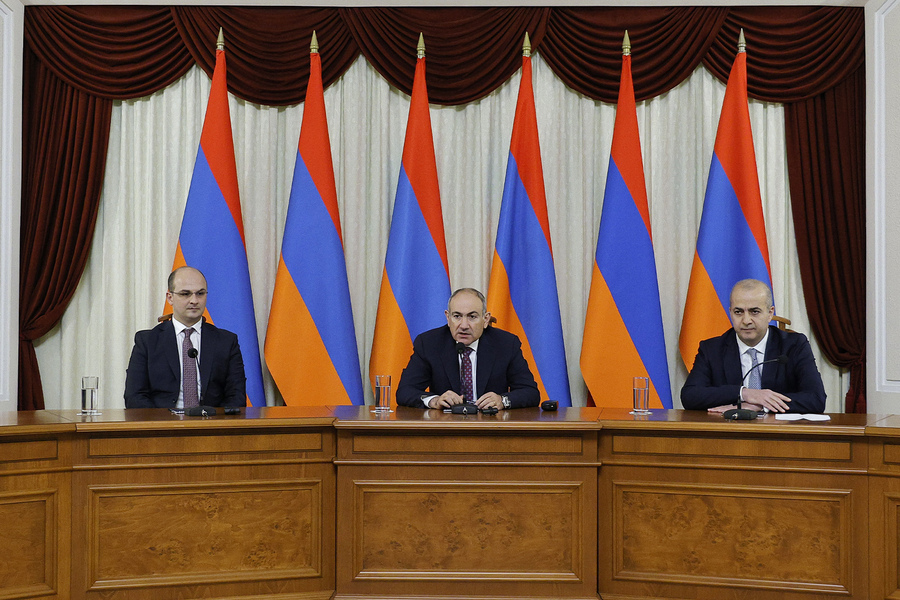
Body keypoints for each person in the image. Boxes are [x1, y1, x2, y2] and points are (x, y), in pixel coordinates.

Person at [681, 279, 826, 414]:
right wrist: (744, 393)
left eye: (754, 312)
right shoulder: (712, 349)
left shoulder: (794, 345)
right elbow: (690, 396)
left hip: (778, 430)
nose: (746, 320)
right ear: (730, 312)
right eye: (738, 312)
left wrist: (760, 405)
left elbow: (816, 398)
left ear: (770, 313)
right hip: (729, 430)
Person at [396, 288, 540, 410]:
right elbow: (405, 391)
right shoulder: (429, 343)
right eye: (457, 316)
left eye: (472, 317)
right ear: (448, 317)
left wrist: (502, 400)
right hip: (446, 427)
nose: (464, 325)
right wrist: (434, 400)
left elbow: (530, 392)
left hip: (491, 427)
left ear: (485, 319)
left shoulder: (506, 344)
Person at [124, 266, 246, 408]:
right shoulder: (147, 342)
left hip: (211, 420)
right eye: (185, 294)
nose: (194, 300)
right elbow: (134, 396)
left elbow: (236, 397)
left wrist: (213, 419)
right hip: (162, 420)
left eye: (200, 293)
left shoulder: (226, 342)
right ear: (170, 298)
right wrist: (163, 421)